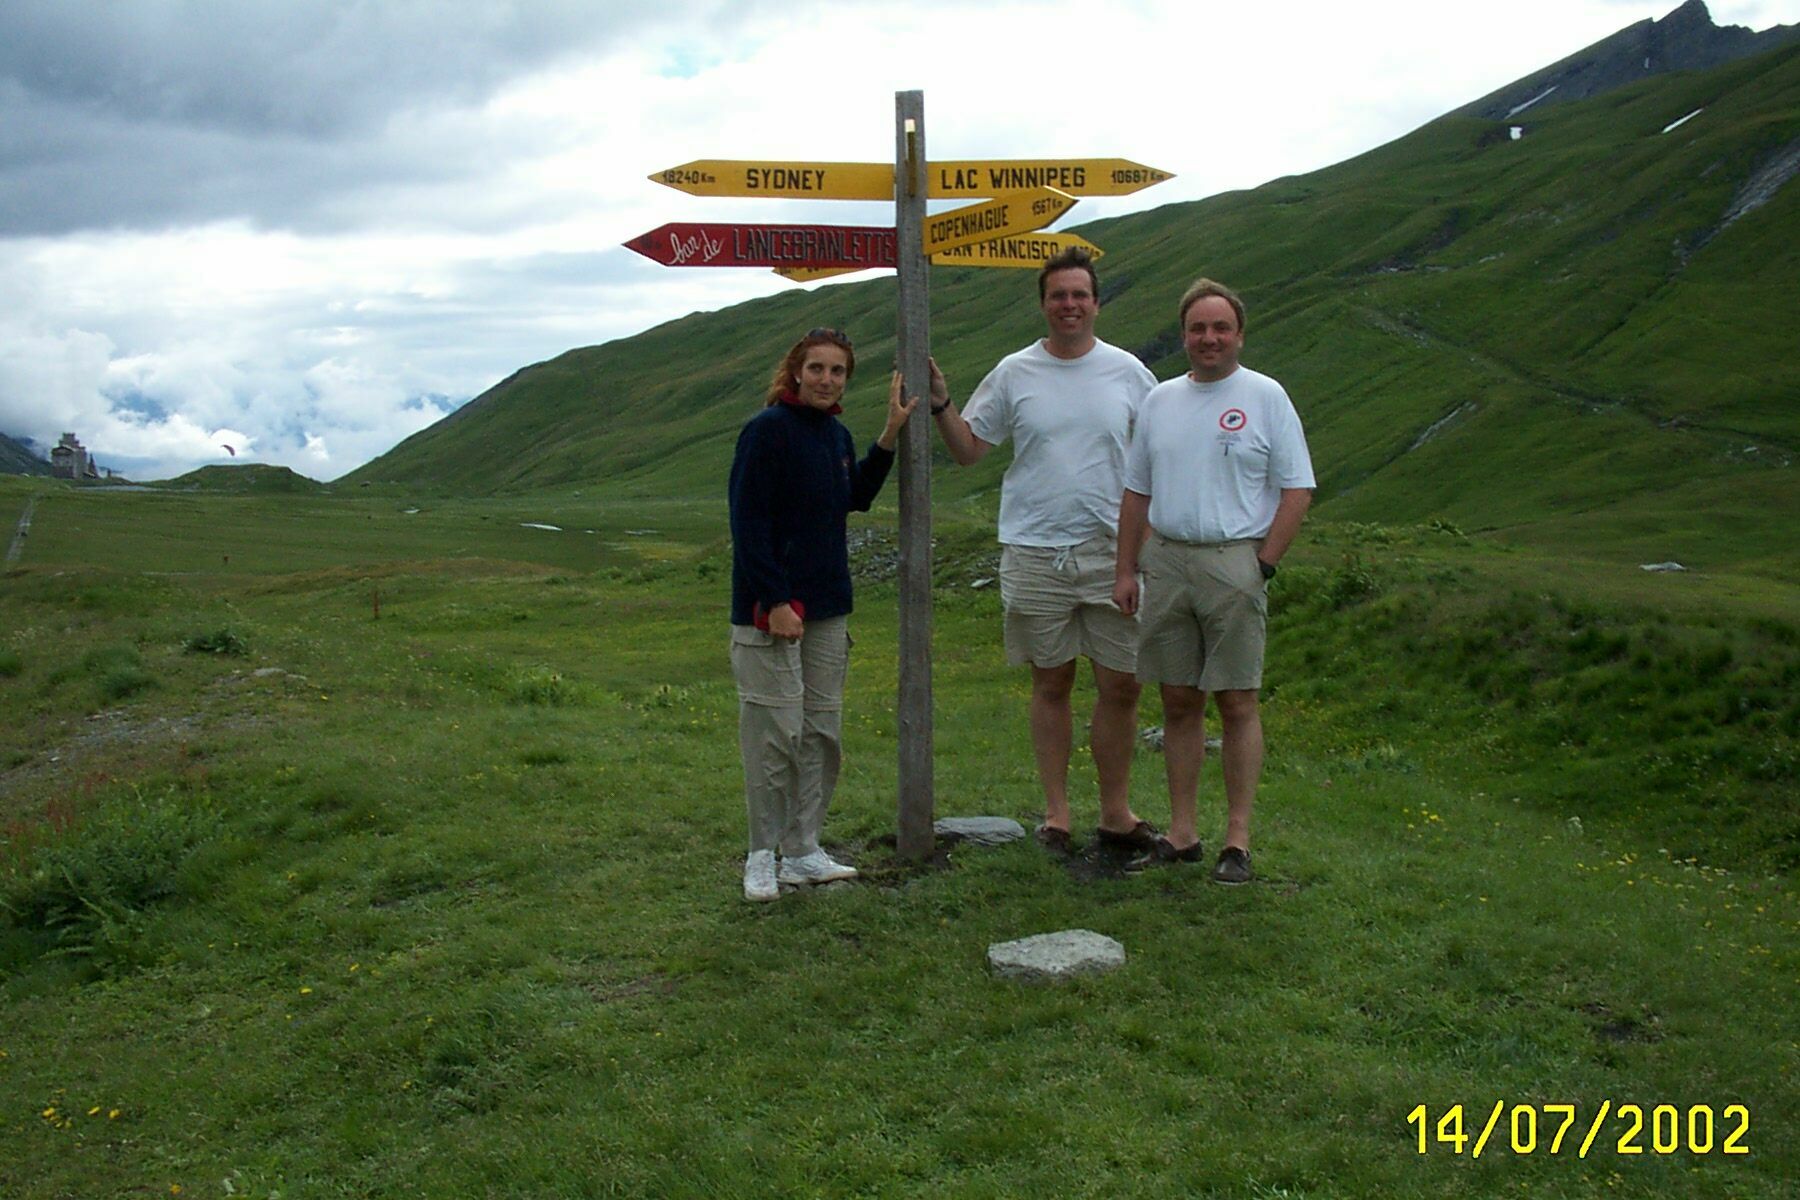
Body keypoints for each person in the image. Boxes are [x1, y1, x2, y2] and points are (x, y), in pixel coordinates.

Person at [928, 247, 1159, 855]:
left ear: (1096, 303)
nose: (1069, 305)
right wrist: (939, 404)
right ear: (1043, 304)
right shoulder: (1014, 372)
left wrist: (1144, 548)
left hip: (1114, 552)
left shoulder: (1131, 374)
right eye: (1058, 295)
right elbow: (971, 448)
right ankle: (1056, 816)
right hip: (1034, 551)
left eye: (1079, 294)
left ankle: (1116, 813)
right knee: (1051, 682)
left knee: (1123, 685)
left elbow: (1161, 454)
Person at [1112, 279, 1314, 883]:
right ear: (1184, 335)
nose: (1209, 339)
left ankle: (1238, 840)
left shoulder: (1266, 396)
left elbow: (1297, 488)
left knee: (1237, 700)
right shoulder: (1160, 400)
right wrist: (1127, 567)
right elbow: (1136, 490)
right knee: (1177, 700)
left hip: (1234, 561)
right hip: (1167, 559)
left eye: (1220, 328)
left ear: (1239, 335)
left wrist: (1263, 564)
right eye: (1198, 329)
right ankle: (1181, 833)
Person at [728, 328, 918, 902]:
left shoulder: (834, 435)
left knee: (819, 732)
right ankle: (762, 856)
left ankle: (804, 851)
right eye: (817, 369)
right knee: (773, 734)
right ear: (795, 372)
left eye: (838, 371)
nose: (826, 380)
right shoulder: (765, 433)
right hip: (773, 611)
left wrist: (889, 435)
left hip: (829, 608)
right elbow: (749, 523)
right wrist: (776, 601)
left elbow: (853, 496)